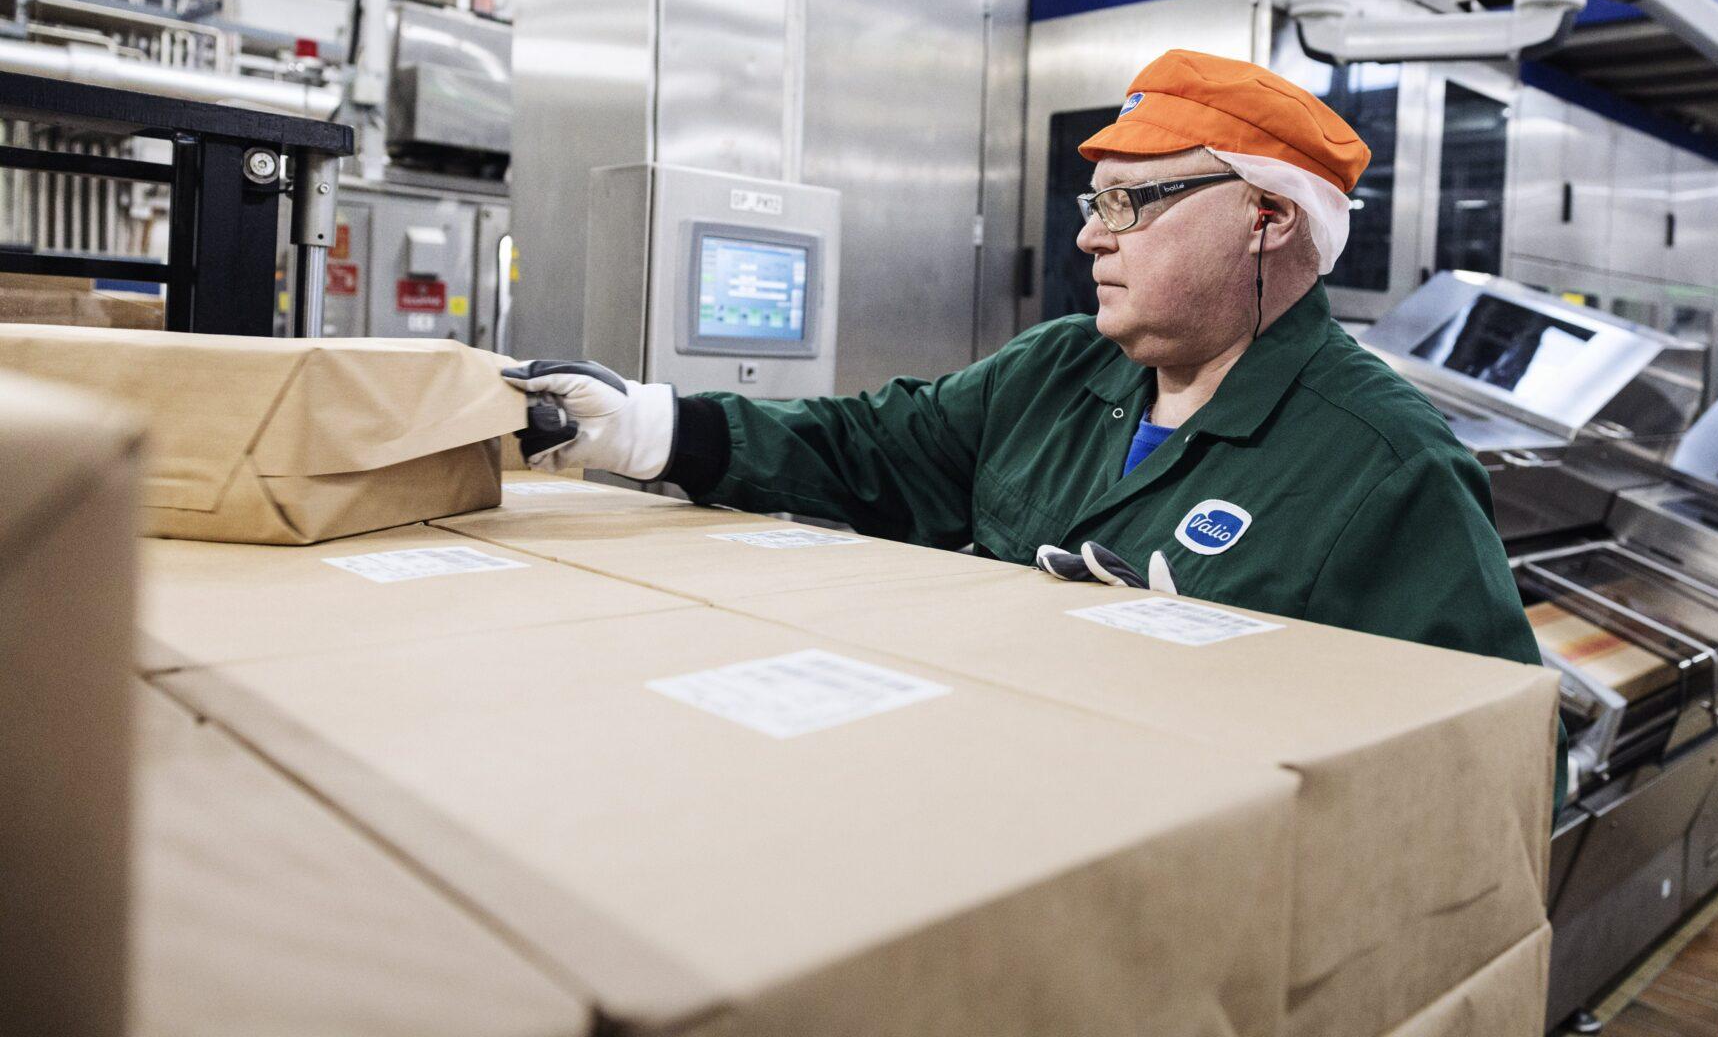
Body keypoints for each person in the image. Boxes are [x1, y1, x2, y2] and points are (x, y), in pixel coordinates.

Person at [506, 48, 1550, 714]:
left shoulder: (1386, 466)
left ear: (1267, 218)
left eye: (1130, 202)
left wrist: (1241, 671)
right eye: (1094, 203)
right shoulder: (1061, 366)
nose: (1093, 235)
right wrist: (646, 428)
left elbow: (1495, 747)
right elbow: (870, 449)